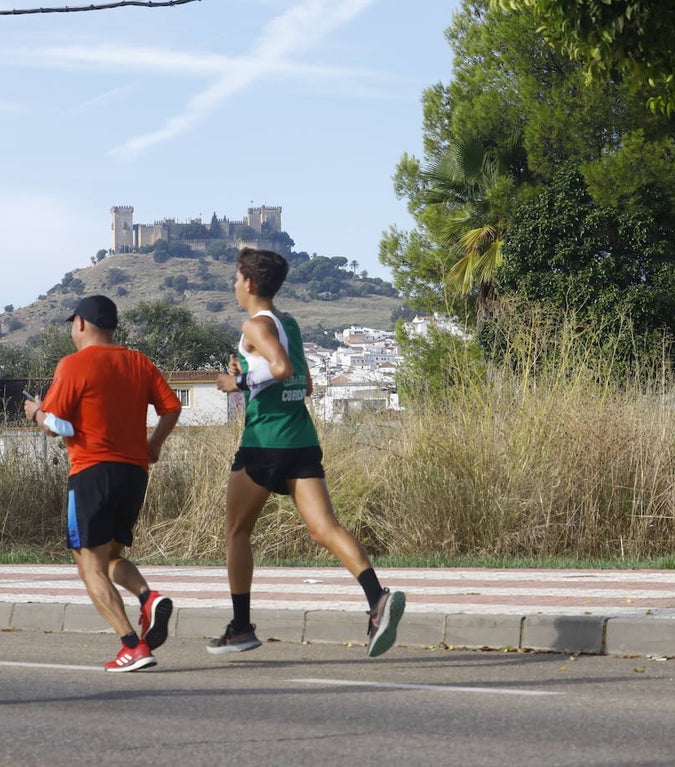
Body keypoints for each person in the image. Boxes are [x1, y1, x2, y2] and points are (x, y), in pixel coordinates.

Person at [211, 247, 406, 658]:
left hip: (264, 442)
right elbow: (305, 384)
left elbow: (281, 369)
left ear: (249, 284)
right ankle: (377, 599)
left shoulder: (254, 325)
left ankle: (241, 627)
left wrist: (237, 383)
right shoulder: (290, 323)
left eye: (236, 278)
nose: (234, 285)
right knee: (325, 529)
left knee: (237, 532)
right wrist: (250, 372)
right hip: (301, 439)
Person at [24, 294, 182, 672]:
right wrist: (154, 444)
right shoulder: (139, 362)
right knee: (108, 556)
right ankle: (147, 597)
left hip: (91, 472)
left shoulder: (74, 364)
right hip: (134, 473)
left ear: (80, 324)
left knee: (89, 566)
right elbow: (172, 407)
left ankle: (132, 645)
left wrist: (35, 413)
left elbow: (56, 425)